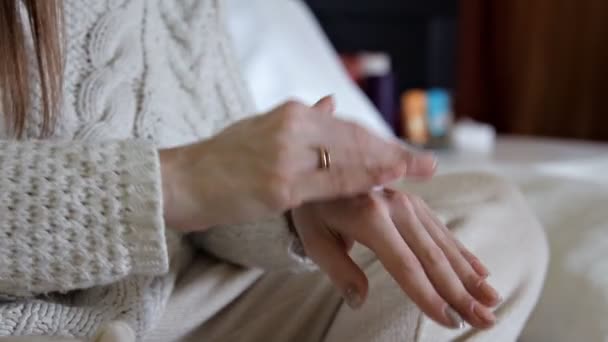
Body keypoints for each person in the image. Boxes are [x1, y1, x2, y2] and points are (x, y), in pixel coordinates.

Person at [0, 1, 548, 341]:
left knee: (481, 214)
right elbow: (193, 178)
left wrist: (293, 207)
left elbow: (213, 193)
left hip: (181, 302)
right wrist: (177, 181)